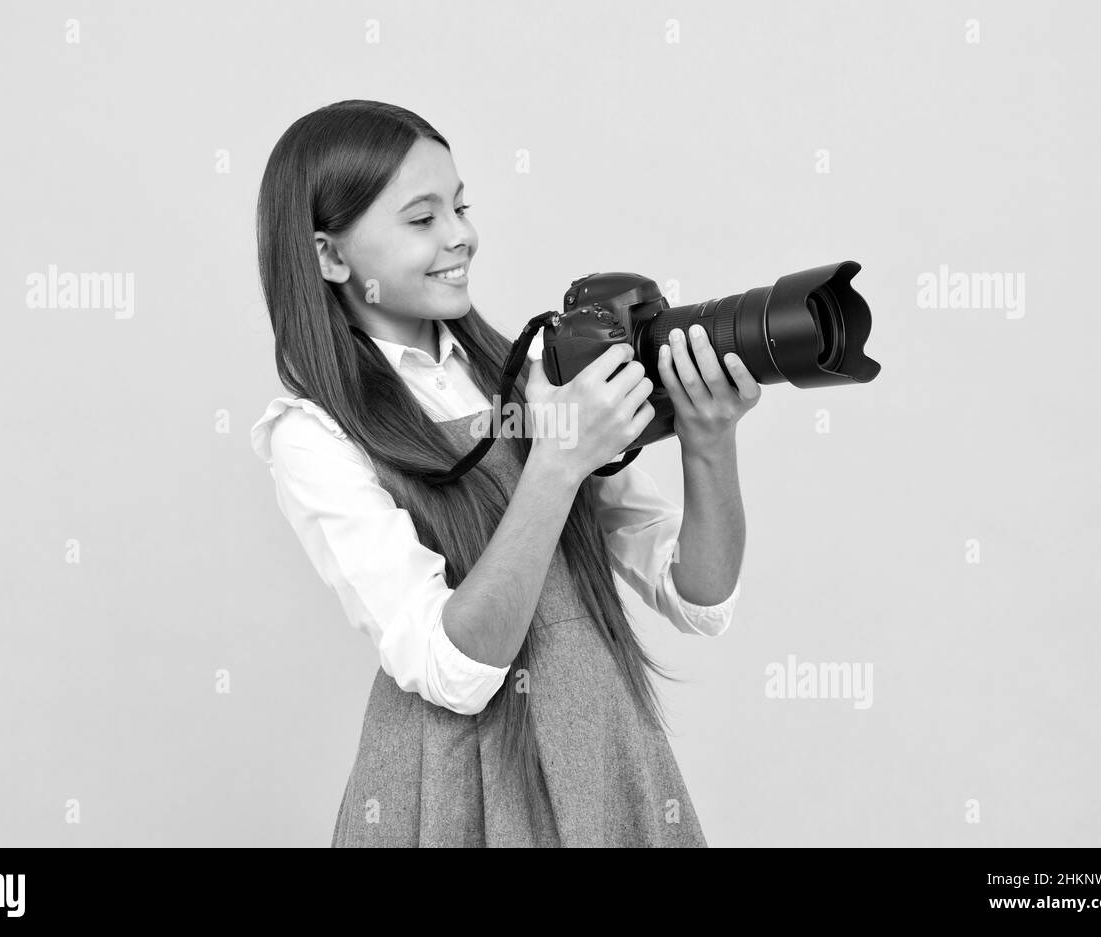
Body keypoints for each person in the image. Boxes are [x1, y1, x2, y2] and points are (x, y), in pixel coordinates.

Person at [249, 99, 760, 846]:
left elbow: (698, 596)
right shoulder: (312, 434)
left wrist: (710, 442)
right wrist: (556, 462)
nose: (462, 236)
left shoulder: (530, 371)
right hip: (459, 785)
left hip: (601, 746)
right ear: (330, 256)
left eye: (460, 207)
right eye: (422, 219)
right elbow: (452, 666)